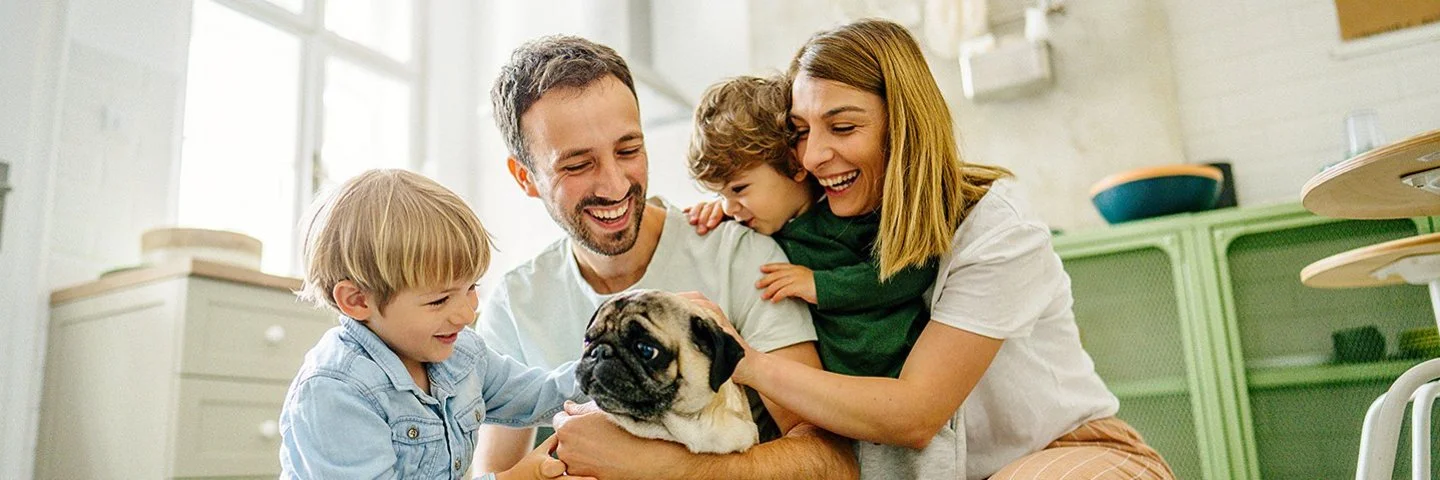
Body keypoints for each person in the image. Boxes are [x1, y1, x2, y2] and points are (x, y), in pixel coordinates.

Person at [703, 19, 1177, 479]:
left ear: (905, 128)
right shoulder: (812, 222)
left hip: (1073, 451)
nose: (812, 156)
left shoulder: (995, 230)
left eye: (843, 128)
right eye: (801, 131)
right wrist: (731, 208)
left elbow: (914, 413)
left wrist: (748, 364)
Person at [473, 35, 858, 479]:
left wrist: (659, 467)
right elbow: (495, 473)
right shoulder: (516, 303)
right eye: (578, 165)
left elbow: (832, 463)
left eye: (628, 150)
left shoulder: (742, 257)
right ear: (526, 177)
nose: (615, 185)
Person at [279, 169, 591, 480]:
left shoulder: (462, 353)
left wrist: (608, 374)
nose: (467, 315)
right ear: (358, 301)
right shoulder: (333, 392)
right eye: (439, 301)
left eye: (470, 288)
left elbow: (541, 394)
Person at [683, 74, 937, 378]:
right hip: (834, 394)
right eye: (719, 195)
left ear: (793, 165)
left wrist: (819, 285)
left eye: (738, 189)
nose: (728, 206)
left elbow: (912, 270)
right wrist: (723, 210)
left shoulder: (848, 215)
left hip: (897, 374)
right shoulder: (760, 229)